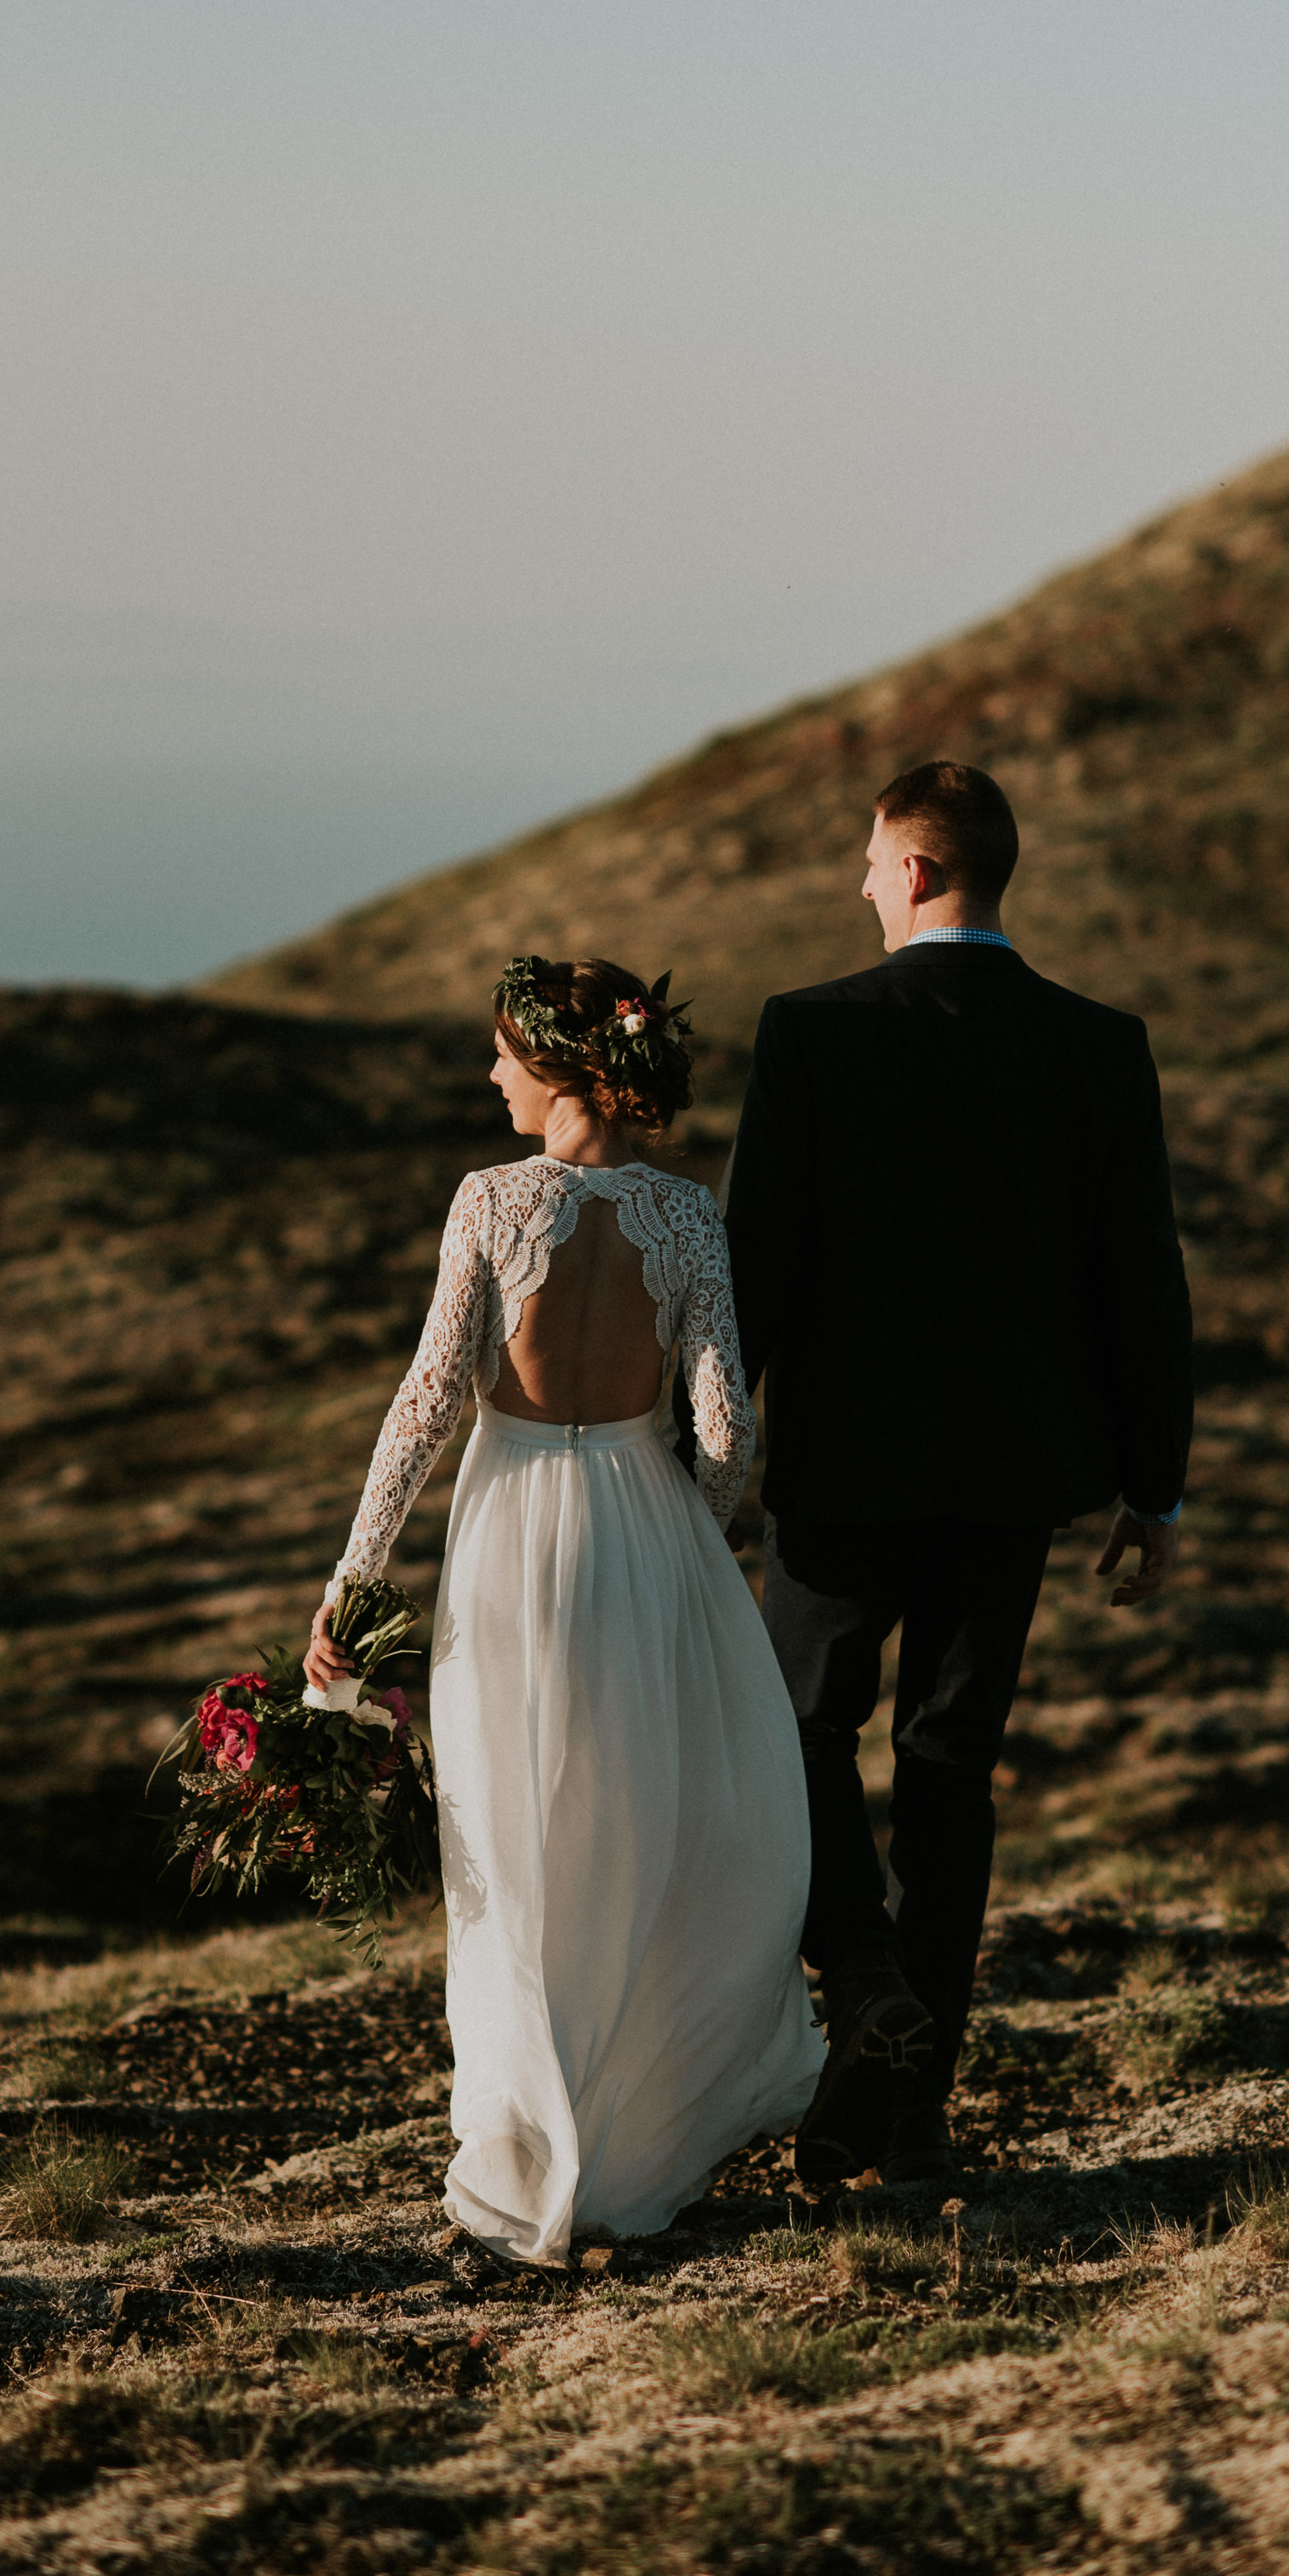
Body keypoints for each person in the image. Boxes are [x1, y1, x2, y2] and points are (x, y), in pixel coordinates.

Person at [721, 760, 1193, 2199]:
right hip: (1012, 1478)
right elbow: (1142, 1282)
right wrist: (1152, 1486)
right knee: (949, 1773)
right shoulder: (1098, 1044)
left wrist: (700, 1447)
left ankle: (862, 1979)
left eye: (871, 862)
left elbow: (755, 1270)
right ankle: (913, 2111)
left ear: (917, 871)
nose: (861, 884)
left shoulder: (810, 1034)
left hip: (843, 1472)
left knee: (797, 1734)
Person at [306, 954, 824, 2266]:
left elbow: (427, 1402)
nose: (490, 1073)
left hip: (513, 1535)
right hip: (644, 1531)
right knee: (631, 1828)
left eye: (503, 1052)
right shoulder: (689, 1215)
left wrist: (355, 1582)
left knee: (513, 1837)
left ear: (560, 1065)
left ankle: (527, 2141)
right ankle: (633, 2133)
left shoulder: (491, 1200)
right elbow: (727, 1423)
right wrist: (687, 1541)